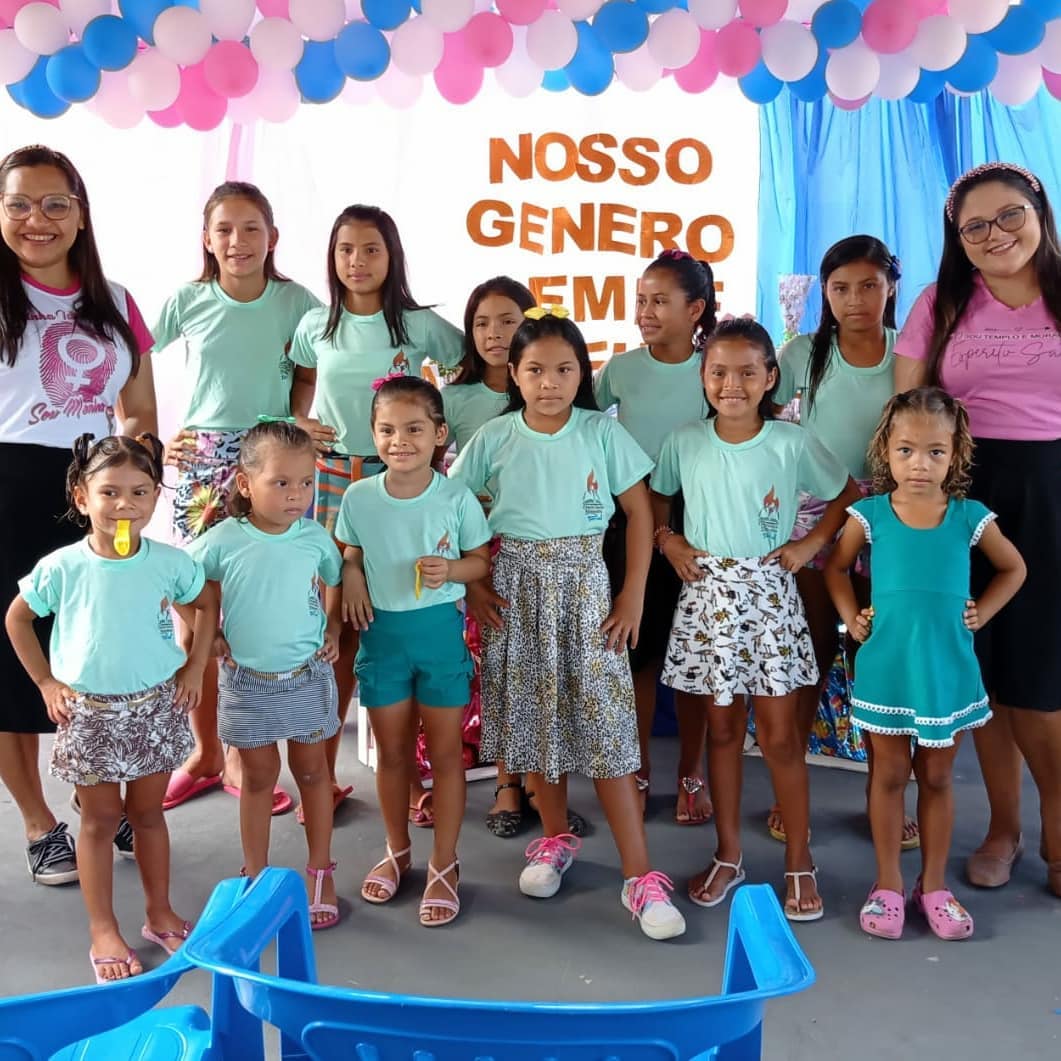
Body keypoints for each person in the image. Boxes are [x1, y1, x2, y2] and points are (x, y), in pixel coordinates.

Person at [450, 309, 686, 941]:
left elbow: (639, 512)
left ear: (583, 373)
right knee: (538, 722)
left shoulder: (599, 433)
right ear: (513, 373)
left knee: (608, 731)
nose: (550, 382)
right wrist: (473, 586)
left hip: (587, 589)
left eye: (564, 369)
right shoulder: (494, 438)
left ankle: (640, 875)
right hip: (516, 590)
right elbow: (450, 508)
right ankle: (554, 840)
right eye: (535, 370)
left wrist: (634, 593)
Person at [651, 318, 861, 922]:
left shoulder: (790, 442)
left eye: (748, 371)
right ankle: (728, 854)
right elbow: (660, 496)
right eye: (719, 371)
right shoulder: (685, 439)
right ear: (703, 376)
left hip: (769, 594)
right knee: (720, 732)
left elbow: (846, 491)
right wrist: (668, 540)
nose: (732, 383)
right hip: (707, 594)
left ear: (771, 377)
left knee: (778, 736)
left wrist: (812, 542)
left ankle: (800, 860)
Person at [894, 162, 1061, 898]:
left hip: (1051, 497)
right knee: (983, 675)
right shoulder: (942, 302)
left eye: (1010, 215)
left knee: (1042, 683)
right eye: (975, 226)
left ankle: (1057, 827)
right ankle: (1004, 828)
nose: (995, 234)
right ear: (956, 239)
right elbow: (907, 409)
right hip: (960, 498)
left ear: (1040, 212)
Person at [0, 144, 157, 886]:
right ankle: (39, 821)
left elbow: (141, 411)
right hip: (8, 485)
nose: (38, 219)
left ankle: (104, 799)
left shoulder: (117, 302)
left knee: (101, 650)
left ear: (81, 213)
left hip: (95, 490)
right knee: (15, 665)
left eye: (55, 203)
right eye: (20, 204)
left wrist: (132, 488)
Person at [5, 433, 214, 980]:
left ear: (155, 496)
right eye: (110, 493)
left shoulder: (169, 562)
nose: (125, 505)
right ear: (81, 497)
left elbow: (203, 603)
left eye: (140, 492)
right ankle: (103, 927)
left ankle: (159, 911)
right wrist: (47, 683)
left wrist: (193, 666)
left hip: (154, 706)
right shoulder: (62, 567)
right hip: (89, 714)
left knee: (147, 815)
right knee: (99, 820)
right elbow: (18, 619)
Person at [825, 387, 1025, 939]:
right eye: (907, 450)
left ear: (955, 454)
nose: (920, 464)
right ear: (885, 450)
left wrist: (981, 613)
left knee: (937, 776)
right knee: (888, 774)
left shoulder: (970, 518)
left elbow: (1014, 569)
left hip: (946, 672)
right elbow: (836, 571)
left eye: (936, 452)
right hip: (887, 668)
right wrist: (851, 618)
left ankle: (933, 886)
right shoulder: (867, 516)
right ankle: (887, 884)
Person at [289, 204, 464, 824]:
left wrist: (448, 443)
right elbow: (299, 390)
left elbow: (467, 373)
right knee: (338, 625)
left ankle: (412, 771)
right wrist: (301, 426)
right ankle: (323, 778)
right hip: (338, 479)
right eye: (345, 250)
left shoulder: (419, 324)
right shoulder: (316, 324)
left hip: (408, 481)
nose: (357, 262)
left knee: (403, 621)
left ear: (392, 257)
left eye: (370, 250)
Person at [154, 181, 321, 818]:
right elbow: (133, 356)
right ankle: (202, 753)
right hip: (202, 458)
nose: (237, 241)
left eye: (251, 228)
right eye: (224, 229)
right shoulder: (189, 300)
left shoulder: (296, 303)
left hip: (269, 457)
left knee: (264, 596)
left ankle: (244, 749)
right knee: (198, 601)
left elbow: (310, 369)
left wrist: (299, 417)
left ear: (272, 238)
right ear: (207, 239)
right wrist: (150, 436)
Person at [770, 235, 917, 849]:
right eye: (840, 288)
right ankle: (789, 798)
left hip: (893, 518)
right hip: (818, 519)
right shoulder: (805, 350)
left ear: (890, 289)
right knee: (805, 660)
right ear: (825, 294)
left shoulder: (909, 351)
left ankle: (883, 799)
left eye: (869, 286)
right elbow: (757, 414)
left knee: (877, 663)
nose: (855, 300)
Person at [336, 376, 490, 926]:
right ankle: (397, 850)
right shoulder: (358, 497)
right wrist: (352, 570)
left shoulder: (455, 497)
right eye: (386, 430)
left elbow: (480, 561)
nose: (399, 440)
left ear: (440, 434)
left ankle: (445, 862)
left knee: (446, 755)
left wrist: (453, 570)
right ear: (373, 435)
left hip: (438, 638)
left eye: (414, 429)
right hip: (382, 640)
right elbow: (349, 548)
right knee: (394, 754)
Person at [186, 420, 344, 929]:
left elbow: (337, 579)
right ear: (245, 483)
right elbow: (183, 588)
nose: (296, 495)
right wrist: (207, 634)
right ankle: (254, 874)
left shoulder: (314, 536)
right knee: (257, 779)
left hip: (306, 676)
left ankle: (320, 869)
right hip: (248, 682)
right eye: (281, 483)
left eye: (305, 483)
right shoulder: (221, 541)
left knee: (314, 773)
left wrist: (335, 628)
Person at [594, 249, 715, 826]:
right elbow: (582, 426)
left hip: (706, 527)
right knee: (636, 654)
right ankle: (638, 767)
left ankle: (692, 772)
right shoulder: (621, 370)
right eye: (640, 299)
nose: (645, 311)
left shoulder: (714, 370)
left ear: (696, 310)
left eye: (659, 301)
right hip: (633, 523)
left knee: (694, 659)